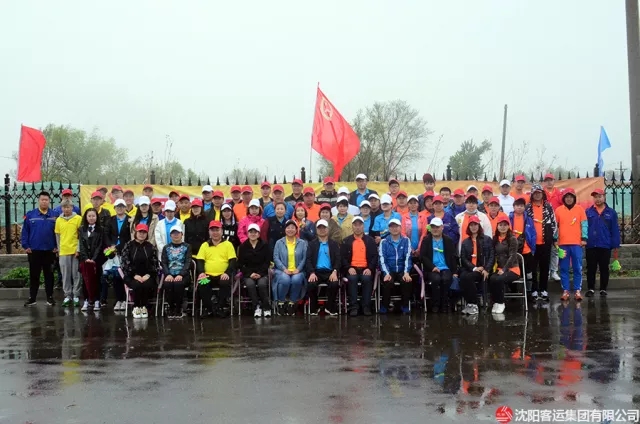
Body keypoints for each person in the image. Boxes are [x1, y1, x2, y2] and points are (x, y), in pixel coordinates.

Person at [22, 191, 58, 307]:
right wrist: (26, 245)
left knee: (49, 275)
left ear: (49, 201)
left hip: (49, 251)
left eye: (46, 200)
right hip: (34, 250)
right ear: (39, 200)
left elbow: (59, 233)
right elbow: (25, 231)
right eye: (42, 199)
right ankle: (32, 298)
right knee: (34, 275)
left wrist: (57, 246)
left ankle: (50, 297)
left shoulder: (54, 215)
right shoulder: (31, 215)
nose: (44, 202)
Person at [195, 220, 237, 318]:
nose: (215, 232)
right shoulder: (204, 245)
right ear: (209, 232)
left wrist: (227, 273)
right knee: (202, 283)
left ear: (221, 231)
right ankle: (209, 309)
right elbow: (200, 261)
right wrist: (201, 272)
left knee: (225, 283)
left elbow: (232, 261)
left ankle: (220, 308)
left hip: (222, 275)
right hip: (208, 275)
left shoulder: (228, 244)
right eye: (212, 230)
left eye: (217, 230)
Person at [585, 189, 621, 297]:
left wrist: (615, 244)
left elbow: (615, 229)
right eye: (595, 197)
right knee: (591, 268)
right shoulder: (588, 212)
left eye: (600, 196)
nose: (598, 199)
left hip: (605, 244)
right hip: (591, 244)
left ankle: (603, 289)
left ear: (604, 197)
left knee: (604, 267)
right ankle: (591, 288)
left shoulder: (611, 212)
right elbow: (584, 227)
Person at [526, 184, 557, 302]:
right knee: (533, 268)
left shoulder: (548, 206)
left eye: (539, 192)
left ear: (542, 194)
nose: (537, 195)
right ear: (532, 194)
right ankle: (534, 290)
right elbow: (525, 224)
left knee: (545, 267)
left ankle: (544, 290)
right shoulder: (528, 207)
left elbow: (554, 223)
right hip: (532, 244)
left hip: (545, 243)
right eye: (535, 193)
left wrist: (550, 237)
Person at [555, 188, 588, 301]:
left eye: (571, 197)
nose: (569, 199)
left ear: (574, 198)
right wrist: (555, 239)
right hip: (563, 244)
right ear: (564, 198)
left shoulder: (580, 209)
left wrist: (584, 238)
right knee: (564, 268)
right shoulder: (558, 210)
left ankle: (577, 290)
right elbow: (555, 226)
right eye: (567, 197)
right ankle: (566, 291)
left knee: (577, 268)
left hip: (576, 244)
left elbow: (584, 224)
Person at [121, 223, 159, 319]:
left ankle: (144, 307)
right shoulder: (129, 245)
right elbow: (125, 262)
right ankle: (136, 307)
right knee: (137, 284)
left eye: (144, 232)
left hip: (147, 275)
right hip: (131, 275)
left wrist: (148, 275)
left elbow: (155, 263)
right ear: (136, 233)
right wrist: (134, 275)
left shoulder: (150, 247)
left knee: (146, 284)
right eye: (140, 232)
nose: (142, 234)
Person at [342, 216, 378, 316]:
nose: (357, 227)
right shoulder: (346, 241)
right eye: (355, 225)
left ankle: (366, 306)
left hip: (366, 268)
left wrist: (370, 268)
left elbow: (375, 256)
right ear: (352, 226)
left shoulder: (370, 240)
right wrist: (348, 267)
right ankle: (353, 307)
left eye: (360, 225)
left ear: (363, 226)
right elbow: (342, 258)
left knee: (367, 279)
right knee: (352, 279)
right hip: (352, 268)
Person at [420, 217, 457, 313]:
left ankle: (444, 304)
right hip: (431, 268)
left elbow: (453, 257)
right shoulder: (426, 240)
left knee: (446, 279)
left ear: (442, 227)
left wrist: (454, 272)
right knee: (436, 279)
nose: (435, 229)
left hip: (445, 267)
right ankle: (435, 304)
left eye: (437, 227)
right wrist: (432, 267)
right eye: (433, 227)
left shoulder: (448, 240)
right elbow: (423, 257)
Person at [459, 215, 494, 316]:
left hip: (482, 268)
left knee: (468, 277)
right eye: (471, 225)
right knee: (463, 276)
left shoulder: (487, 239)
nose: (473, 227)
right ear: (468, 227)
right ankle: (470, 303)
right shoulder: (465, 242)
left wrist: (487, 269)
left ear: (479, 226)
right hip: (471, 268)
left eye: (475, 225)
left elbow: (491, 256)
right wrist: (473, 268)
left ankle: (474, 304)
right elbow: (463, 258)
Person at [273, 220, 308, 316]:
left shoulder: (302, 243)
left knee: (296, 279)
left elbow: (305, 258)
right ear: (285, 229)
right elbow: (276, 257)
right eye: (288, 227)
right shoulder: (279, 242)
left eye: (293, 227)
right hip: (282, 270)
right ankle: (281, 302)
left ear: (296, 230)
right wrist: (284, 269)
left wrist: (298, 269)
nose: (290, 230)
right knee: (285, 280)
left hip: (298, 270)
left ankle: (292, 302)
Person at [306, 219, 341, 315]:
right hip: (316, 271)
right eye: (319, 228)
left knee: (334, 284)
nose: (322, 230)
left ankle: (329, 307)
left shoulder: (334, 244)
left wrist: (335, 271)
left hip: (330, 271)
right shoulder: (311, 244)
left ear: (328, 229)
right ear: (316, 230)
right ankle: (314, 307)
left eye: (324, 228)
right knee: (311, 284)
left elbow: (338, 259)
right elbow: (308, 260)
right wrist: (312, 272)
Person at [378, 218, 412, 314]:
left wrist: (406, 272)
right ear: (389, 229)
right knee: (388, 281)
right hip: (389, 270)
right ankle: (385, 305)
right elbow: (382, 259)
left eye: (396, 226)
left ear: (400, 228)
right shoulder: (384, 242)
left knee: (406, 281)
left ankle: (405, 305)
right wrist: (386, 273)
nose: (394, 229)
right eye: (392, 227)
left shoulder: (406, 240)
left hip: (402, 269)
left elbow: (408, 257)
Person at [238, 223, 272, 317]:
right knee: (250, 284)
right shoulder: (243, 247)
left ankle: (266, 307)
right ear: (247, 233)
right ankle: (256, 307)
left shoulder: (265, 245)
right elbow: (240, 263)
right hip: (248, 273)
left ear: (258, 234)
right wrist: (250, 274)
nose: (253, 234)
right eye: (251, 232)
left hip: (262, 273)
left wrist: (260, 273)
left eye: (255, 232)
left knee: (262, 284)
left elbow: (267, 262)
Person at [488, 217, 520, 314]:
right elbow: (493, 255)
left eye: (505, 225)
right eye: (500, 225)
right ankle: (496, 301)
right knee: (492, 278)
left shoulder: (512, 239)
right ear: (497, 226)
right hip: (499, 268)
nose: (503, 227)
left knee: (499, 279)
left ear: (508, 226)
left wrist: (505, 269)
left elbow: (513, 256)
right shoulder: (495, 239)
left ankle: (501, 302)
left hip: (513, 269)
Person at [104, 198, 131, 311]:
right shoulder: (110, 220)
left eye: (122, 206)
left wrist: (119, 247)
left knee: (124, 276)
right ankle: (118, 299)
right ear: (114, 208)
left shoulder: (130, 220)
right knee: (115, 277)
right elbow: (106, 234)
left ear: (125, 208)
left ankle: (125, 299)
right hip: (113, 253)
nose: (120, 208)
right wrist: (111, 247)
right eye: (117, 206)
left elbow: (131, 236)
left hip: (125, 251)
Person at [55, 199, 82, 307]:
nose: (66, 209)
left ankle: (76, 295)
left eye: (68, 207)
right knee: (65, 275)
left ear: (72, 207)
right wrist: (59, 249)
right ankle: (67, 295)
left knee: (76, 274)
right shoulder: (58, 220)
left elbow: (81, 236)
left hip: (75, 251)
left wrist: (78, 249)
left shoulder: (78, 218)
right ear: (61, 208)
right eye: (64, 207)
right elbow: (58, 236)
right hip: (64, 251)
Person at [160, 225, 192, 318]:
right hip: (169, 274)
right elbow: (163, 262)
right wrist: (167, 274)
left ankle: (179, 308)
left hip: (183, 275)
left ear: (182, 234)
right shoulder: (166, 247)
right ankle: (171, 307)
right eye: (173, 233)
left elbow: (188, 262)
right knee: (168, 284)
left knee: (178, 284)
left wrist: (181, 274)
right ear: (170, 235)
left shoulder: (187, 246)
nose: (176, 235)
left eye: (178, 233)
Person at [78, 209, 105, 311]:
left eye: (93, 216)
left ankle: (97, 300)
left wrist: (94, 259)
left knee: (97, 280)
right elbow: (81, 245)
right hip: (85, 260)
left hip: (96, 260)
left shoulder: (101, 229)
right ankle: (86, 300)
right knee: (85, 281)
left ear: (96, 217)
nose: (91, 218)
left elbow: (100, 245)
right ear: (86, 217)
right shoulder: (82, 229)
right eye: (89, 216)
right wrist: (86, 258)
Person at [509, 196, 536, 281]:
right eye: (517, 205)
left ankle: (528, 288)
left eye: (521, 205)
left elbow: (533, 234)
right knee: (515, 271)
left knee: (528, 272)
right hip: (514, 248)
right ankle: (514, 288)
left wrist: (533, 248)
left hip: (526, 249)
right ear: (514, 206)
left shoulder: (529, 219)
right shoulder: (509, 218)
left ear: (524, 207)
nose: (519, 207)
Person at [544, 173, 562, 282]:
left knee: (555, 249)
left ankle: (554, 271)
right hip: (544, 225)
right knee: (546, 249)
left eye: (550, 180)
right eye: (547, 180)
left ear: (554, 181)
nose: (549, 182)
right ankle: (546, 271)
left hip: (556, 225)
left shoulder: (559, 194)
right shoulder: (542, 193)